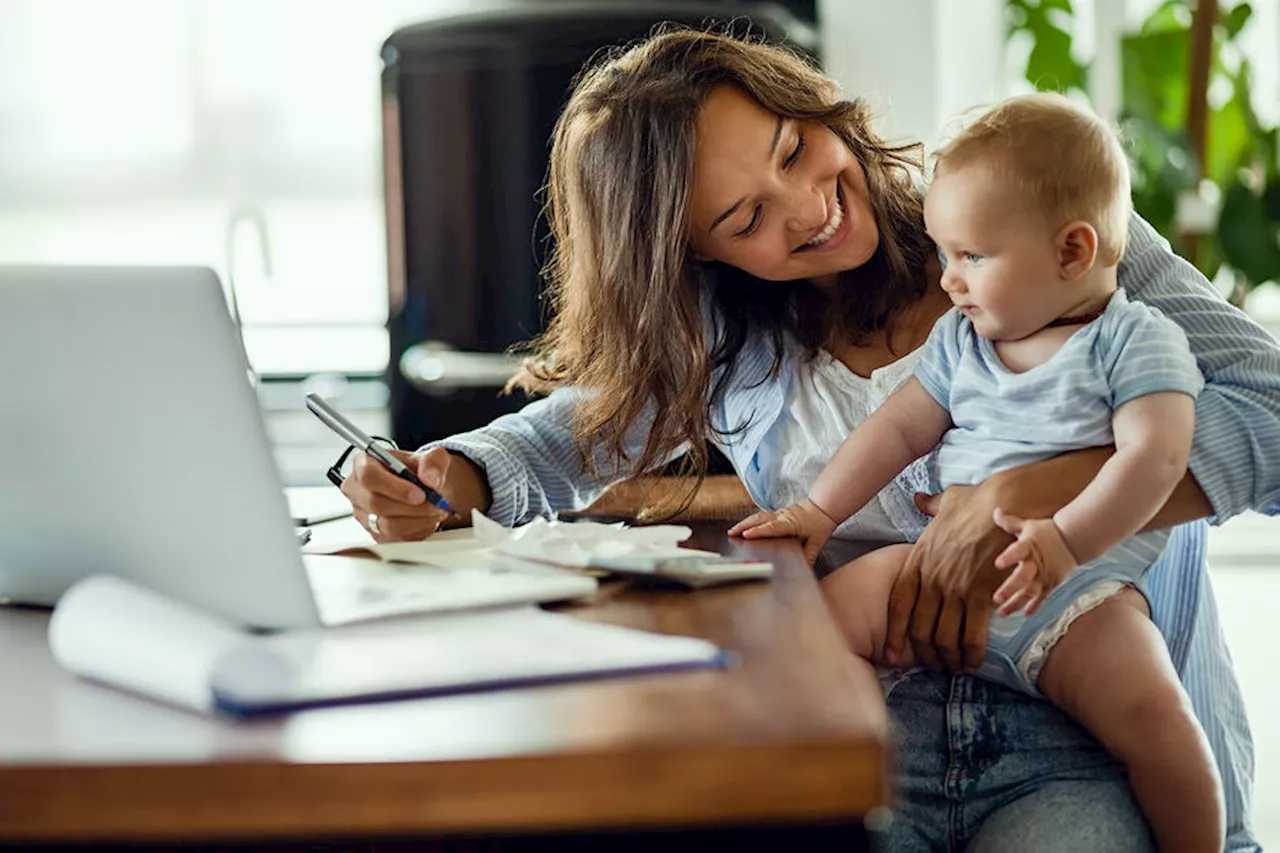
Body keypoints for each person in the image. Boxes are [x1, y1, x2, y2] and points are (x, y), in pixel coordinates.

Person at [339, 28, 1275, 851]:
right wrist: (449, 473)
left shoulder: (1031, 223)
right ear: (695, 254)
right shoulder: (727, 331)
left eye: (796, 149)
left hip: (1087, 725)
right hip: (873, 723)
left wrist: (1031, 492)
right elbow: (560, 440)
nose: (808, 207)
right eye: (745, 218)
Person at [730, 92, 1223, 850]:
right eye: (945, 253)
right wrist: (820, 511)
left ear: (1071, 252)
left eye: (972, 257)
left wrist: (1064, 537)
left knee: (1158, 717)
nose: (949, 280)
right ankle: (866, 776)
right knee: (819, 617)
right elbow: (895, 427)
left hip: (1075, 594)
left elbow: (1156, 459)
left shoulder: (1135, 342)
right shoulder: (964, 341)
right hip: (932, 569)